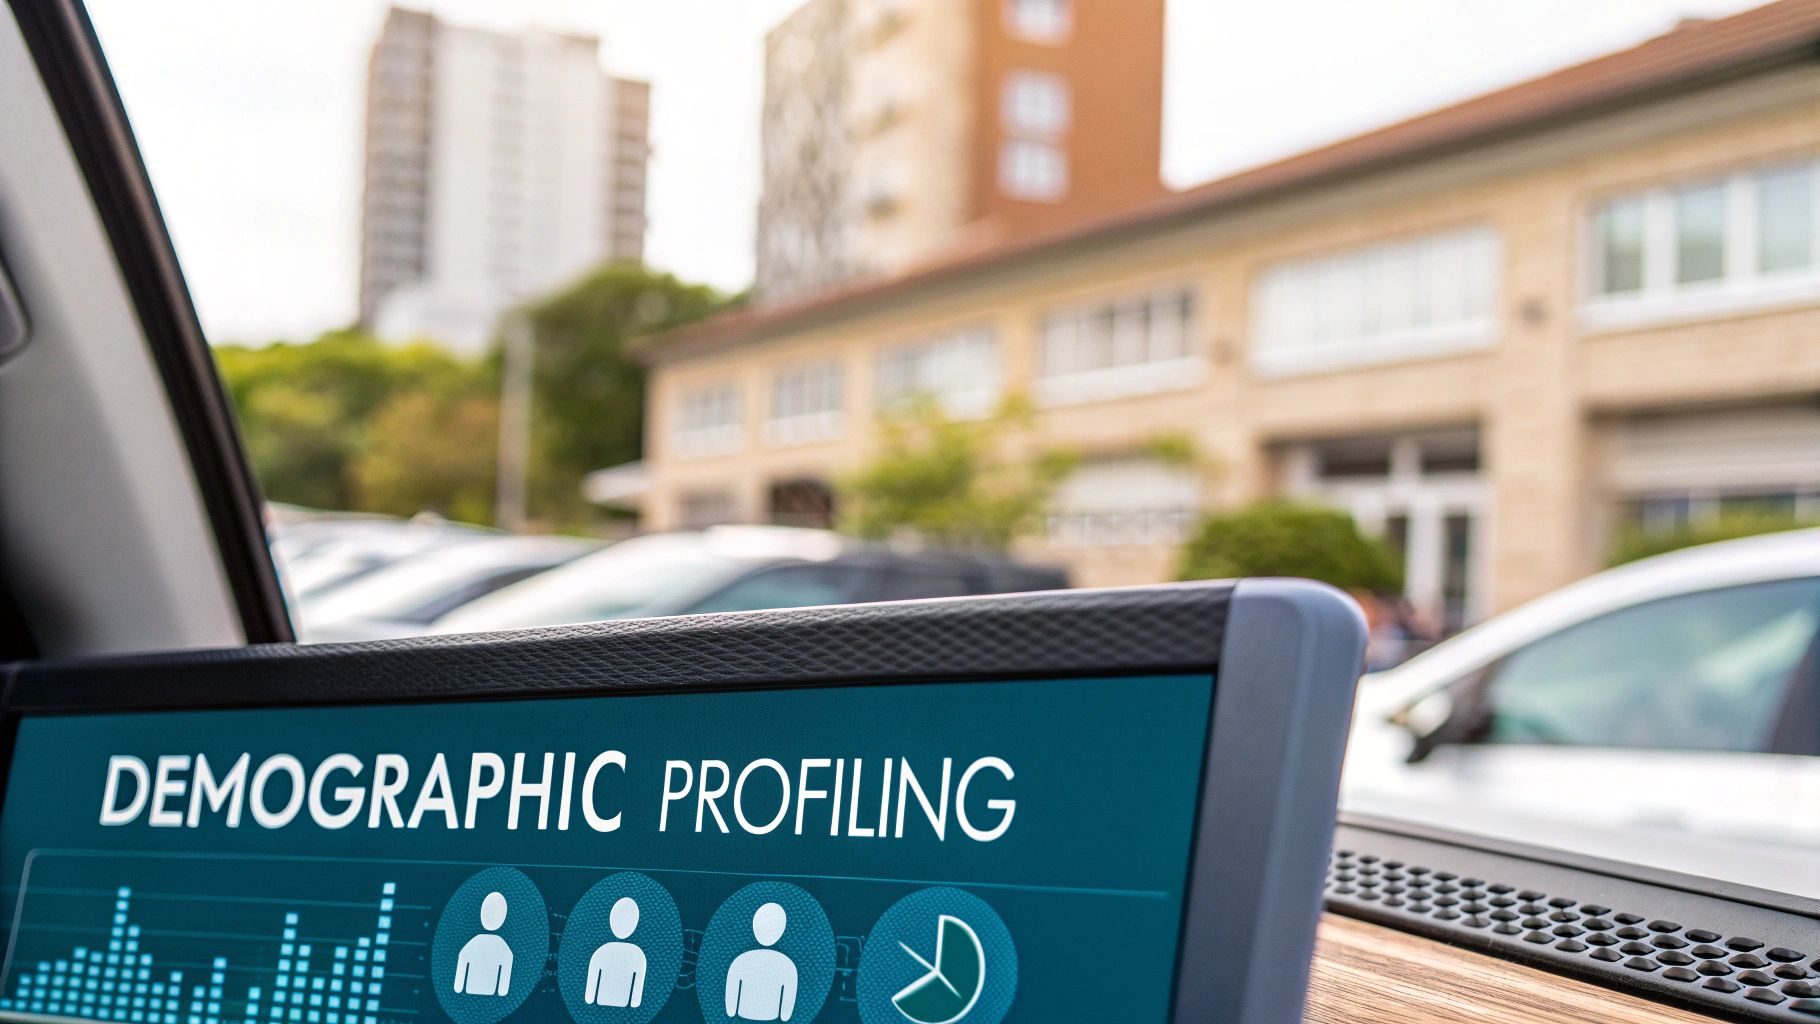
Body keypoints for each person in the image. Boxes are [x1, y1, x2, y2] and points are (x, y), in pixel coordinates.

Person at [724, 902, 796, 1021]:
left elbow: (731, 997)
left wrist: (731, 1011)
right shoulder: (787, 964)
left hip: (745, 1015)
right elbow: (786, 1011)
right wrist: (784, 1016)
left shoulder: (740, 960)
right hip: (768, 1016)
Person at [586, 897, 647, 1008]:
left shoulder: (603, 951)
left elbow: (590, 991)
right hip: (618, 1005)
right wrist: (634, 1003)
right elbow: (636, 995)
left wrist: (590, 999)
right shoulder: (637, 954)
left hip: (606, 1004)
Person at [454, 891, 514, 997]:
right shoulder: (501, 945)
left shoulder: (475, 941)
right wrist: (502, 991)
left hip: (471, 989)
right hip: (489, 992)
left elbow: (462, 958)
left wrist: (458, 987)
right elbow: (507, 964)